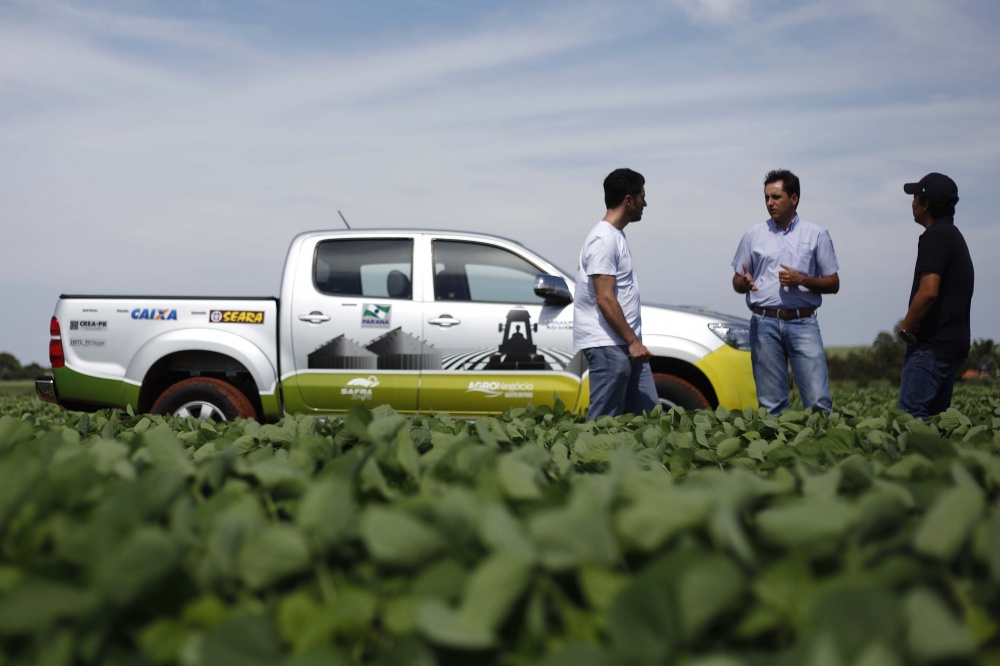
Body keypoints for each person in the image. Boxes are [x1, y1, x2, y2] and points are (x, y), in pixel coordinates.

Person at [731, 169, 840, 414]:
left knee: (818, 402)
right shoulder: (753, 234)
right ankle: (776, 451)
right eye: (767, 198)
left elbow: (833, 282)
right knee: (771, 406)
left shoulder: (817, 234)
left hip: (803, 322)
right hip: (763, 323)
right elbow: (737, 280)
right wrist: (744, 283)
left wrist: (802, 279)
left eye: (776, 197)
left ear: (794, 198)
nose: (770, 203)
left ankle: (820, 451)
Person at [573, 168, 659, 418]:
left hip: (626, 345)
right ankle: (585, 457)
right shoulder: (603, 239)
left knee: (649, 417)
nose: (645, 203)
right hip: (610, 344)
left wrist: (633, 342)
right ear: (628, 200)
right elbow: (604, 297)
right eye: (642, 196)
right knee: (603, 422)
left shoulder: (615, 236)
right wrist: (632, 341)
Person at [896, 172, 974, 418]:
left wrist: (906, 328)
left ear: (925, 203)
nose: (912, 203)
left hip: (931, 347)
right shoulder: (954, 236)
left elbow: (928, 291)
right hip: (952, 346)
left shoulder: (935, 237)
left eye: (915, 197)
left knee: (909, 419)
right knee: (937, 422)